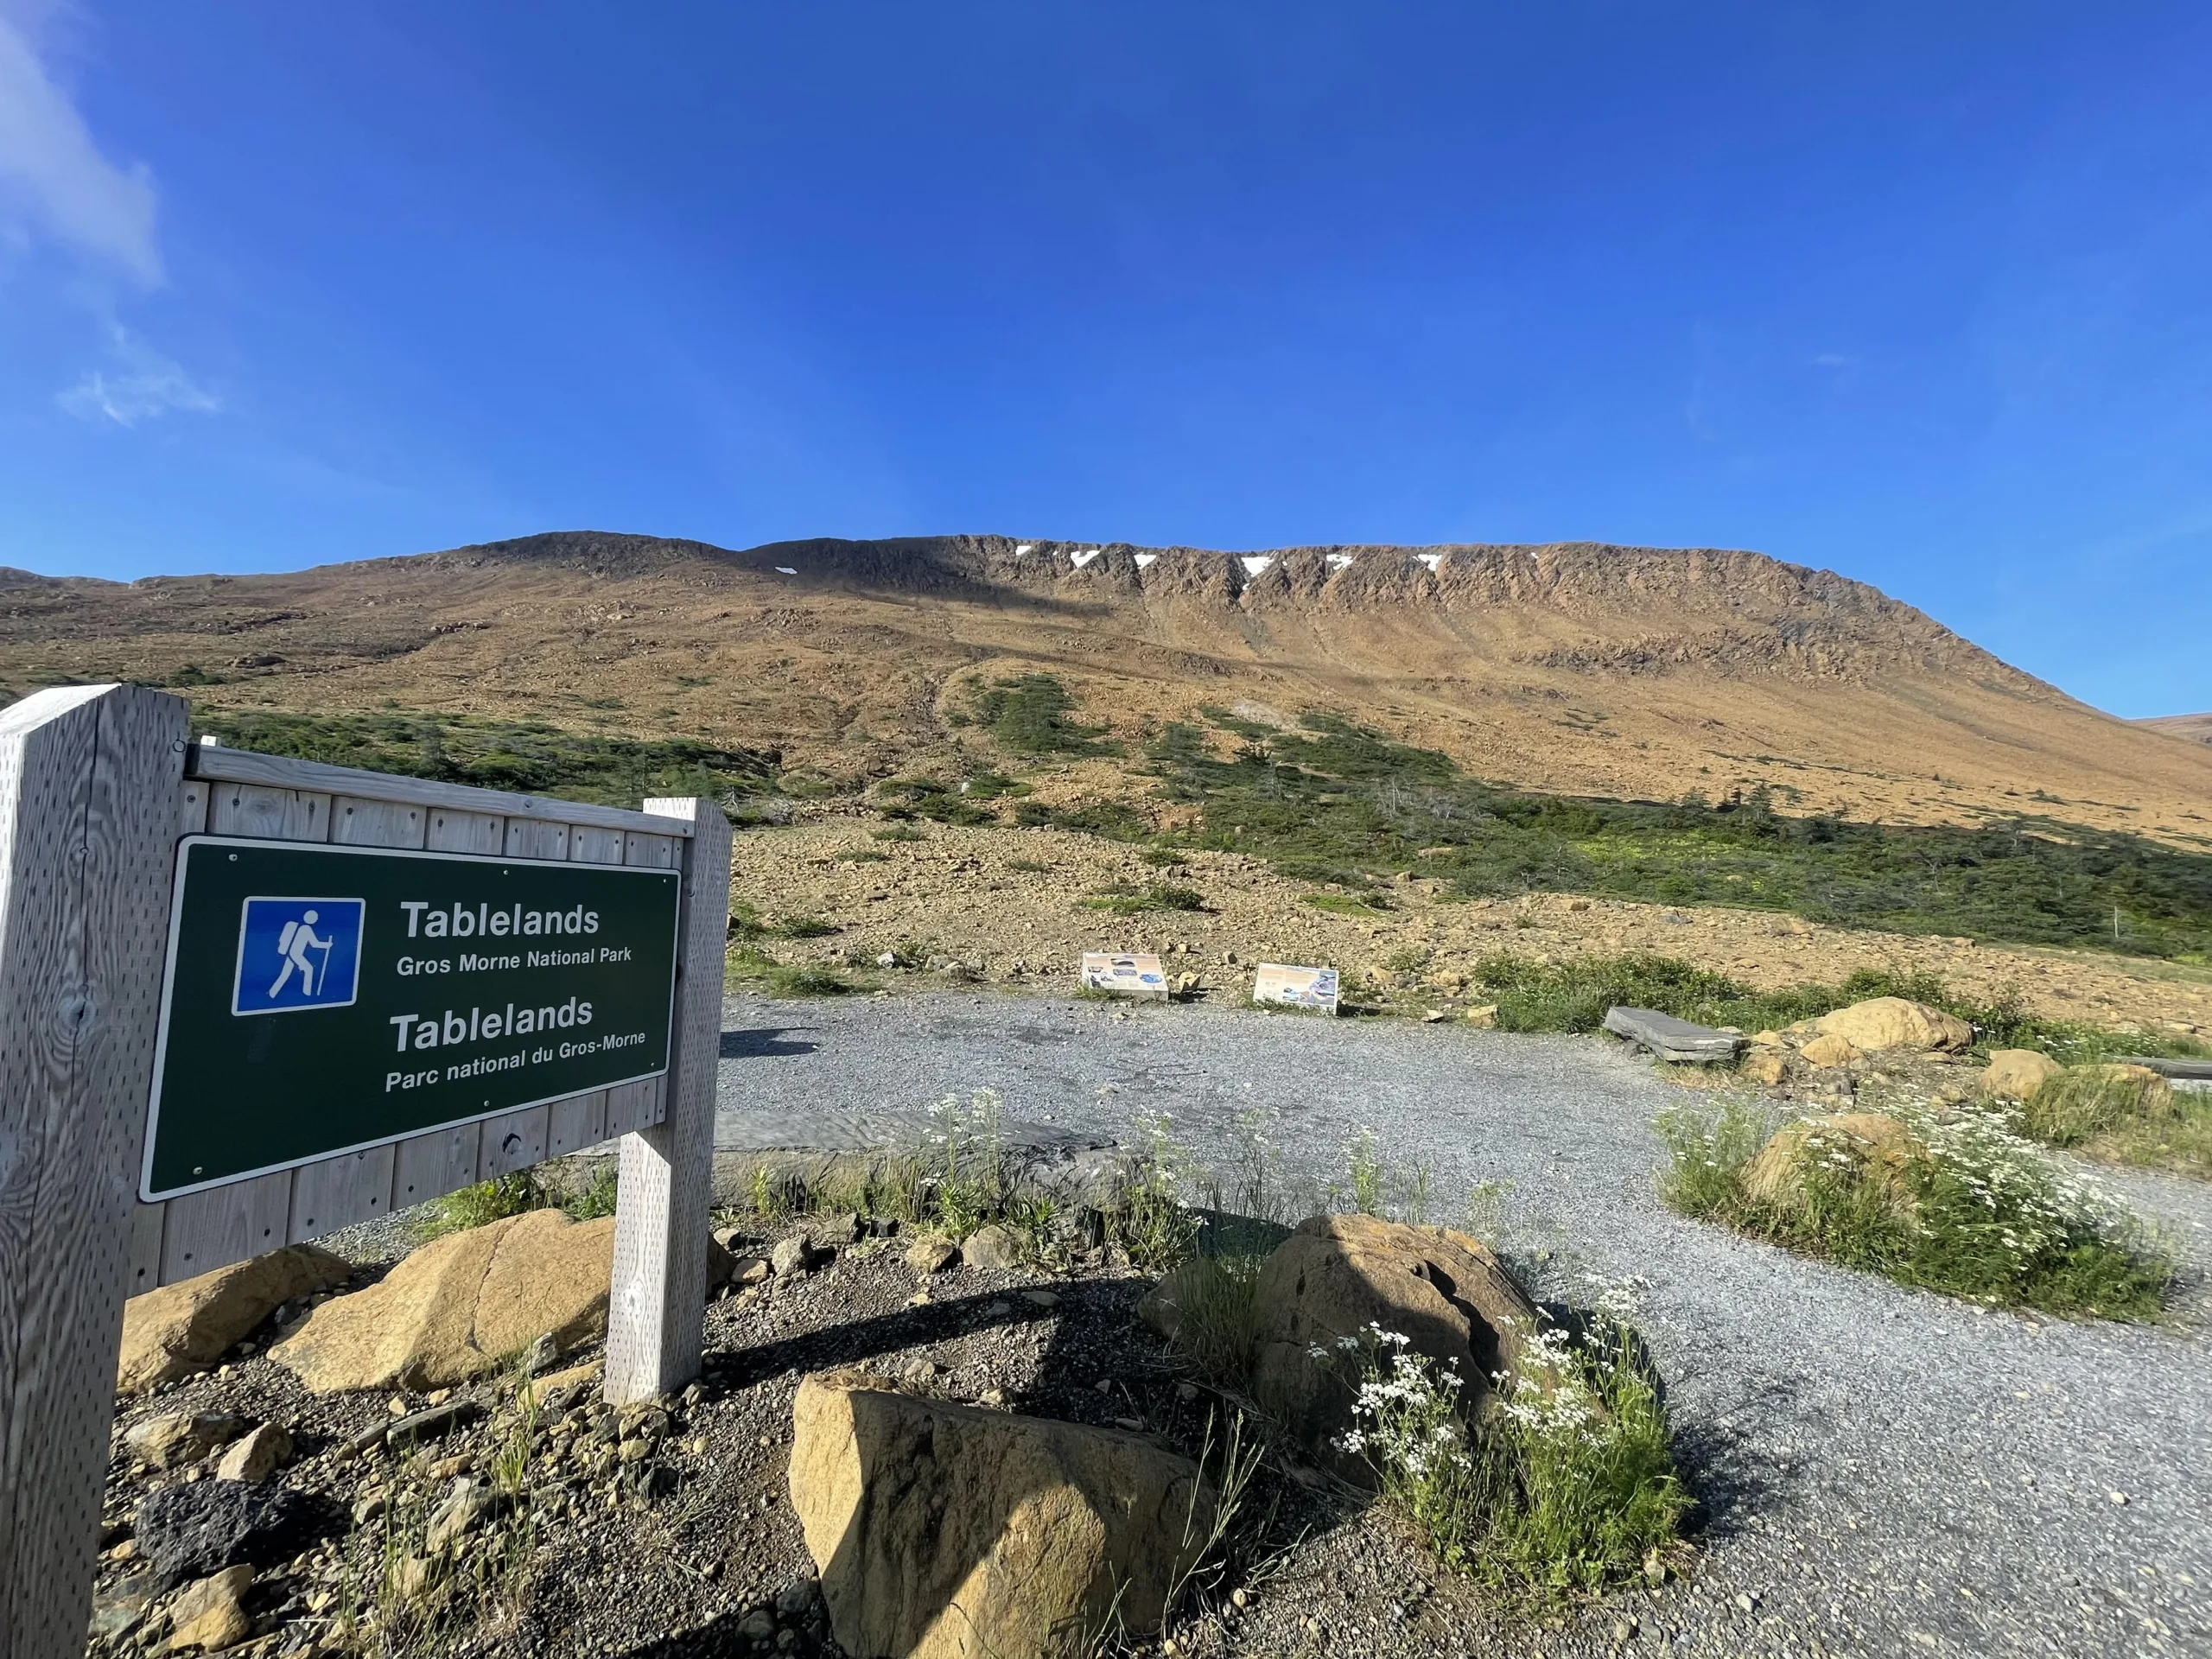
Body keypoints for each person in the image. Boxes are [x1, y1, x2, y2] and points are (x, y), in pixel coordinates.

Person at [269, 909, 331, 999]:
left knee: (285, 974)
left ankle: (272, 993)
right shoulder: (306, 929)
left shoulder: (292, 925)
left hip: (289, 953)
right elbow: (314, 944)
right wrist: (328, 945)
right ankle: (307, 994)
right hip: (296, 954)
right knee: (309, 969)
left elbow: (281, 939)